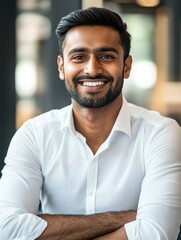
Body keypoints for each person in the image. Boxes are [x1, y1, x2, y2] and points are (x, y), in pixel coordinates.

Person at [0, 7, 181, 240]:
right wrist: (120, 218)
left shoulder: (161, 134)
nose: (92, 69)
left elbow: (154, 234)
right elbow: (7, 227)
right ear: (61, 67)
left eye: (106, 56)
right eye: (79, 57)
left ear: (126, 66)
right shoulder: (34, 135)